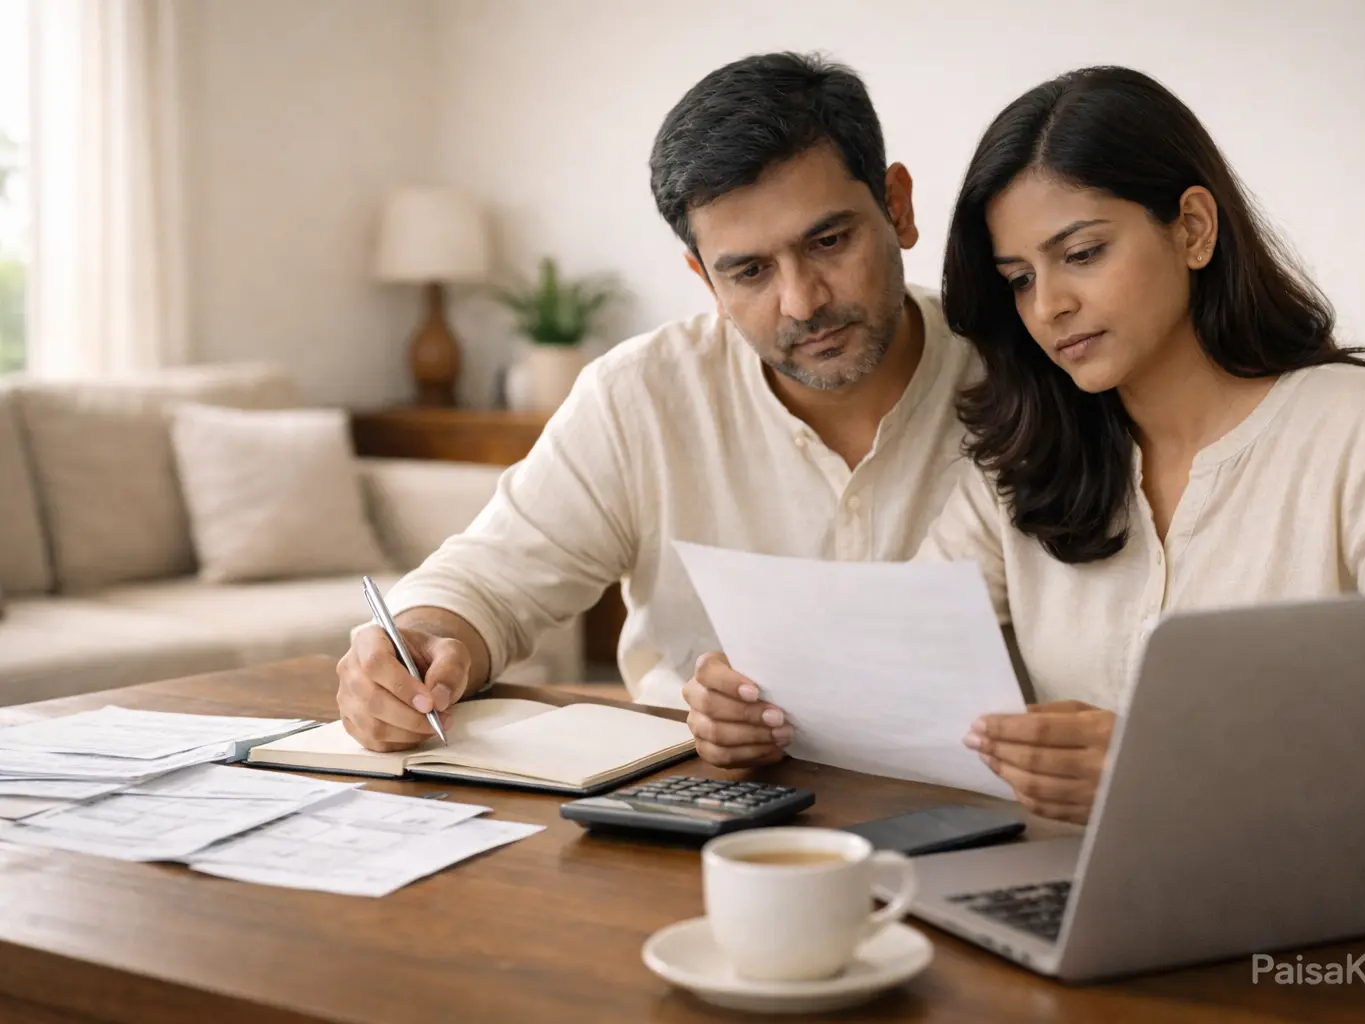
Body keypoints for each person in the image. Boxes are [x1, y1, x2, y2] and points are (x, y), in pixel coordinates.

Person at [691, 66, 1365, 822]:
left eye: (1082, 254)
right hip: (1074, 890)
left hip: (1323, 903)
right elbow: (874, 662)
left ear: (1193, 229)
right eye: (1019, 279)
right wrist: (744, 703)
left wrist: (1168, 764)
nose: (1049, 306)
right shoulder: (1025, 464)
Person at [334, 52, 982, 752]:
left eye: (829, 241)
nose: (802, 302)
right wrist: (417, 649)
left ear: (897, 206)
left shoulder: (1021, 378)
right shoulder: (640, 396)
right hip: (694, 788)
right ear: (705, 280)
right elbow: (487, 583)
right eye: (750, 271)